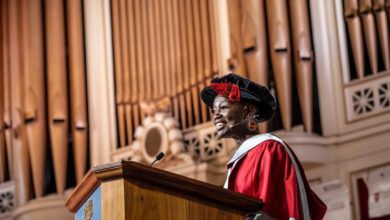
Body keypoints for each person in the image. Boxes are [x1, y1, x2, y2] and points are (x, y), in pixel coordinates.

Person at [200, 73, 327, 220]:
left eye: (223, 107)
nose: (216, 115)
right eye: (213, 110)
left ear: (248, 111)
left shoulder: (269, 149)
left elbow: (274, 210)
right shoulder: (237, 162)